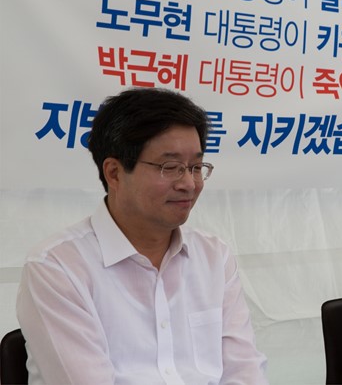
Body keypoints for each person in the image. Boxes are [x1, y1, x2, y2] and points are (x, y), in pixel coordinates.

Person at [16, 88, 268, 384]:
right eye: (170, 167)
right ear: (114, 173)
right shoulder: (57, 268)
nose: (189, 183)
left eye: (196, 167)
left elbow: (245, 372)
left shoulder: (214, 256)